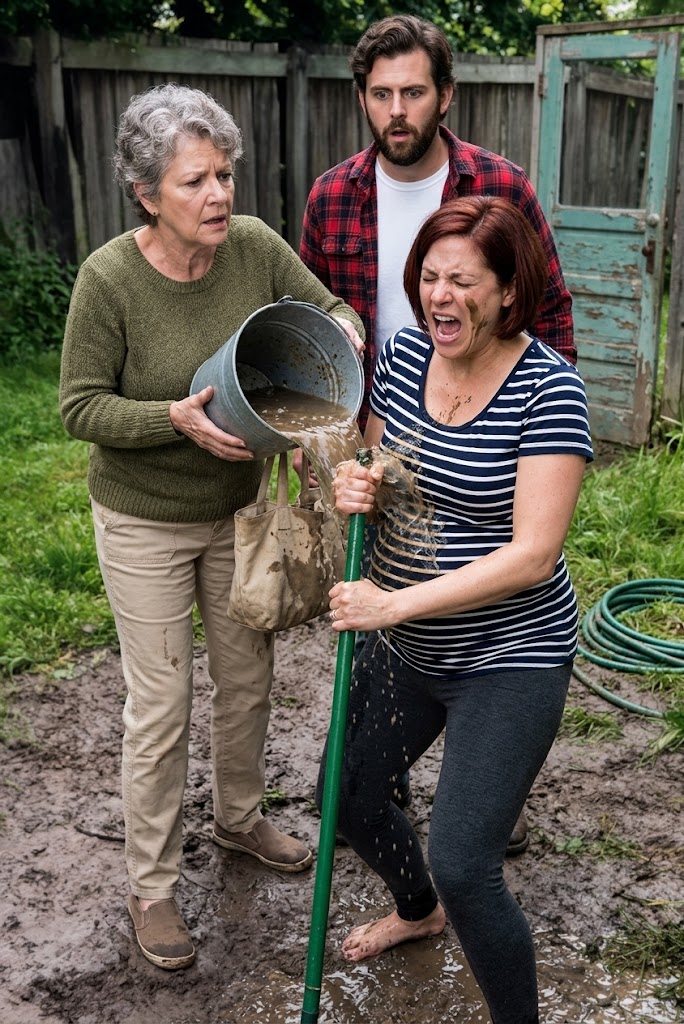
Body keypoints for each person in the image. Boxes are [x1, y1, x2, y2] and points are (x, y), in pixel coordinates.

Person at [59, 83, 364, 972]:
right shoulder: (109, 279)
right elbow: (79, 408)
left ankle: (238, 820)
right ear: (148, 193)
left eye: (225, 175)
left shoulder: (256, 249)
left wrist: (341, 336)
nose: (220, 196)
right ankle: (151, 886)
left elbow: (330, 313)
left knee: (248, 675)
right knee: (160, 705)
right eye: (195, 182)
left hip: (238, 513)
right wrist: (173, 418)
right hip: (143, 517)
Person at [301, 13, 576, 852]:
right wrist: (344, 448)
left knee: (493, 581)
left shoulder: (502, 187)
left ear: (444, 95)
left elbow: (550, 315)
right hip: (383, 421)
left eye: (413, 91)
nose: (397, 109)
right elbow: (316, 319)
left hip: (488, 420)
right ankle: (399, 786)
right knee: (401, 601)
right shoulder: (332, 195)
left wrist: (536, 432)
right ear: (362, 100)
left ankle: (487, 780)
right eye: (380, 94)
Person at [320, 195, 592, 1024]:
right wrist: (351, 482)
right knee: (348, 795)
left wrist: (391, 603)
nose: (440, 295)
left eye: (463, 281)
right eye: (429, 278)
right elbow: (375, 460)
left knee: (467, 861)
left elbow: (531, 555)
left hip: (509, 655)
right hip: (406, 645)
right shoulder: (402, 358)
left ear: (509, 292)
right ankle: (416, 909)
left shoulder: (551, 387)